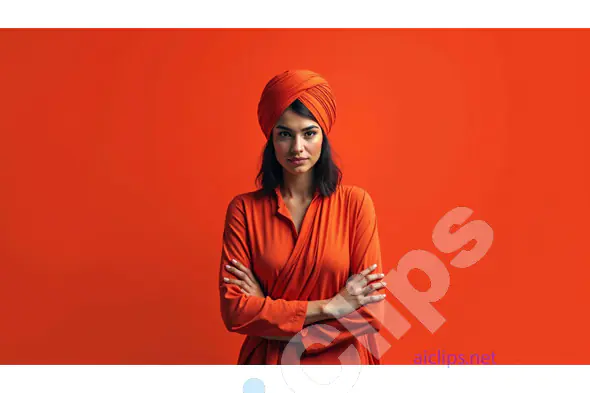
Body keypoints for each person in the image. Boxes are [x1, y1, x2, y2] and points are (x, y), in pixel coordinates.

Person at [218, 69, 387, 365]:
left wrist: (268, 310)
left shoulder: (355, 204)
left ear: (324, 136)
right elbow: (235, 313)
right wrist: (331, 307)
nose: (297, 148)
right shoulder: (243, 211)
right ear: (271, 138)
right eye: (285, 134)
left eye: (309, 133)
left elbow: (369, 316)